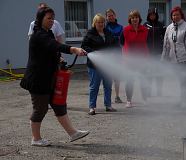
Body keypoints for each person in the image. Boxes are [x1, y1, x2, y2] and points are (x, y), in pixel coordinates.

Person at [20, 7, 89, 146]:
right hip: (37, 80)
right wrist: (73, 49)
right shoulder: (39, 35)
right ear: (40, 19)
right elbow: (54, 45)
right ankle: (36, 139)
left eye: (53, 18)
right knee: (40, 108)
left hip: (50, 78)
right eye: (48, 18)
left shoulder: (48, 33)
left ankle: (73, 133)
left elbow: (52, 50)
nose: (52, 21)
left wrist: (59, 60)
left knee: (59, 104)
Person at [161, 6, 186, 107]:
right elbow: (166, 45)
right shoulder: (169, 28)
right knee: (180, 80)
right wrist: (163, 58)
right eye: (173, 15)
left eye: (177, 14)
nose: (175, 17)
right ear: (171, 16)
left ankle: (183, 101)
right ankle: (183, 99)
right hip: (174, 60)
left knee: (185, 80)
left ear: (181, 15)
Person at [81, 13, 117, 115]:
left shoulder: (108, 32)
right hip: (94, 65)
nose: (101, 24)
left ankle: (108, 105)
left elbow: (115, 45)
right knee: (94, 86)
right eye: (99, 22)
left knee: (108, 85)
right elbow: (84, 46)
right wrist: (93, 52)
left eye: (102, 22)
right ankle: (92, 107)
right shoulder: (90, 33)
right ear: (94, 23)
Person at [120, 10, 149, 108]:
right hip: (129, 60)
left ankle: (145, 99)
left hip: (142, 60)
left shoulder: (145, 30)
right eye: (132, 18)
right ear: (130, 19)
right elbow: (121, 43)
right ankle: (129, 101)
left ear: (139, 18)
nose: (134, 19)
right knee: (129, 81)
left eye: (136, 17)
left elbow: (147, 43)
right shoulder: (125, 30)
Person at [144, 8, 166, 97]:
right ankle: (149, 90)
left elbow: (166, 38)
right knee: (149, 73)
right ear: (148, 15)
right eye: (150, 14)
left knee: (159, 73)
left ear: (156, 15)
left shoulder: (161, 25)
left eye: (154, 14)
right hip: (148, 54)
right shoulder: (145, 25)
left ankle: (159, 91)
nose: (152, 16)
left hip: (158, 53)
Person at [105, 9, 124, 104]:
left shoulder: (121, 27)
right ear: (106, 17)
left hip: (118, 54)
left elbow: (123, 41)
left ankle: (117, 96)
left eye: (112, 15)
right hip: (107, 55)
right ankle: (107, 97)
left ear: (115, 15)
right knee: (108, 77)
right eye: (108, 16)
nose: (110, 17)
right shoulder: (104, 28)